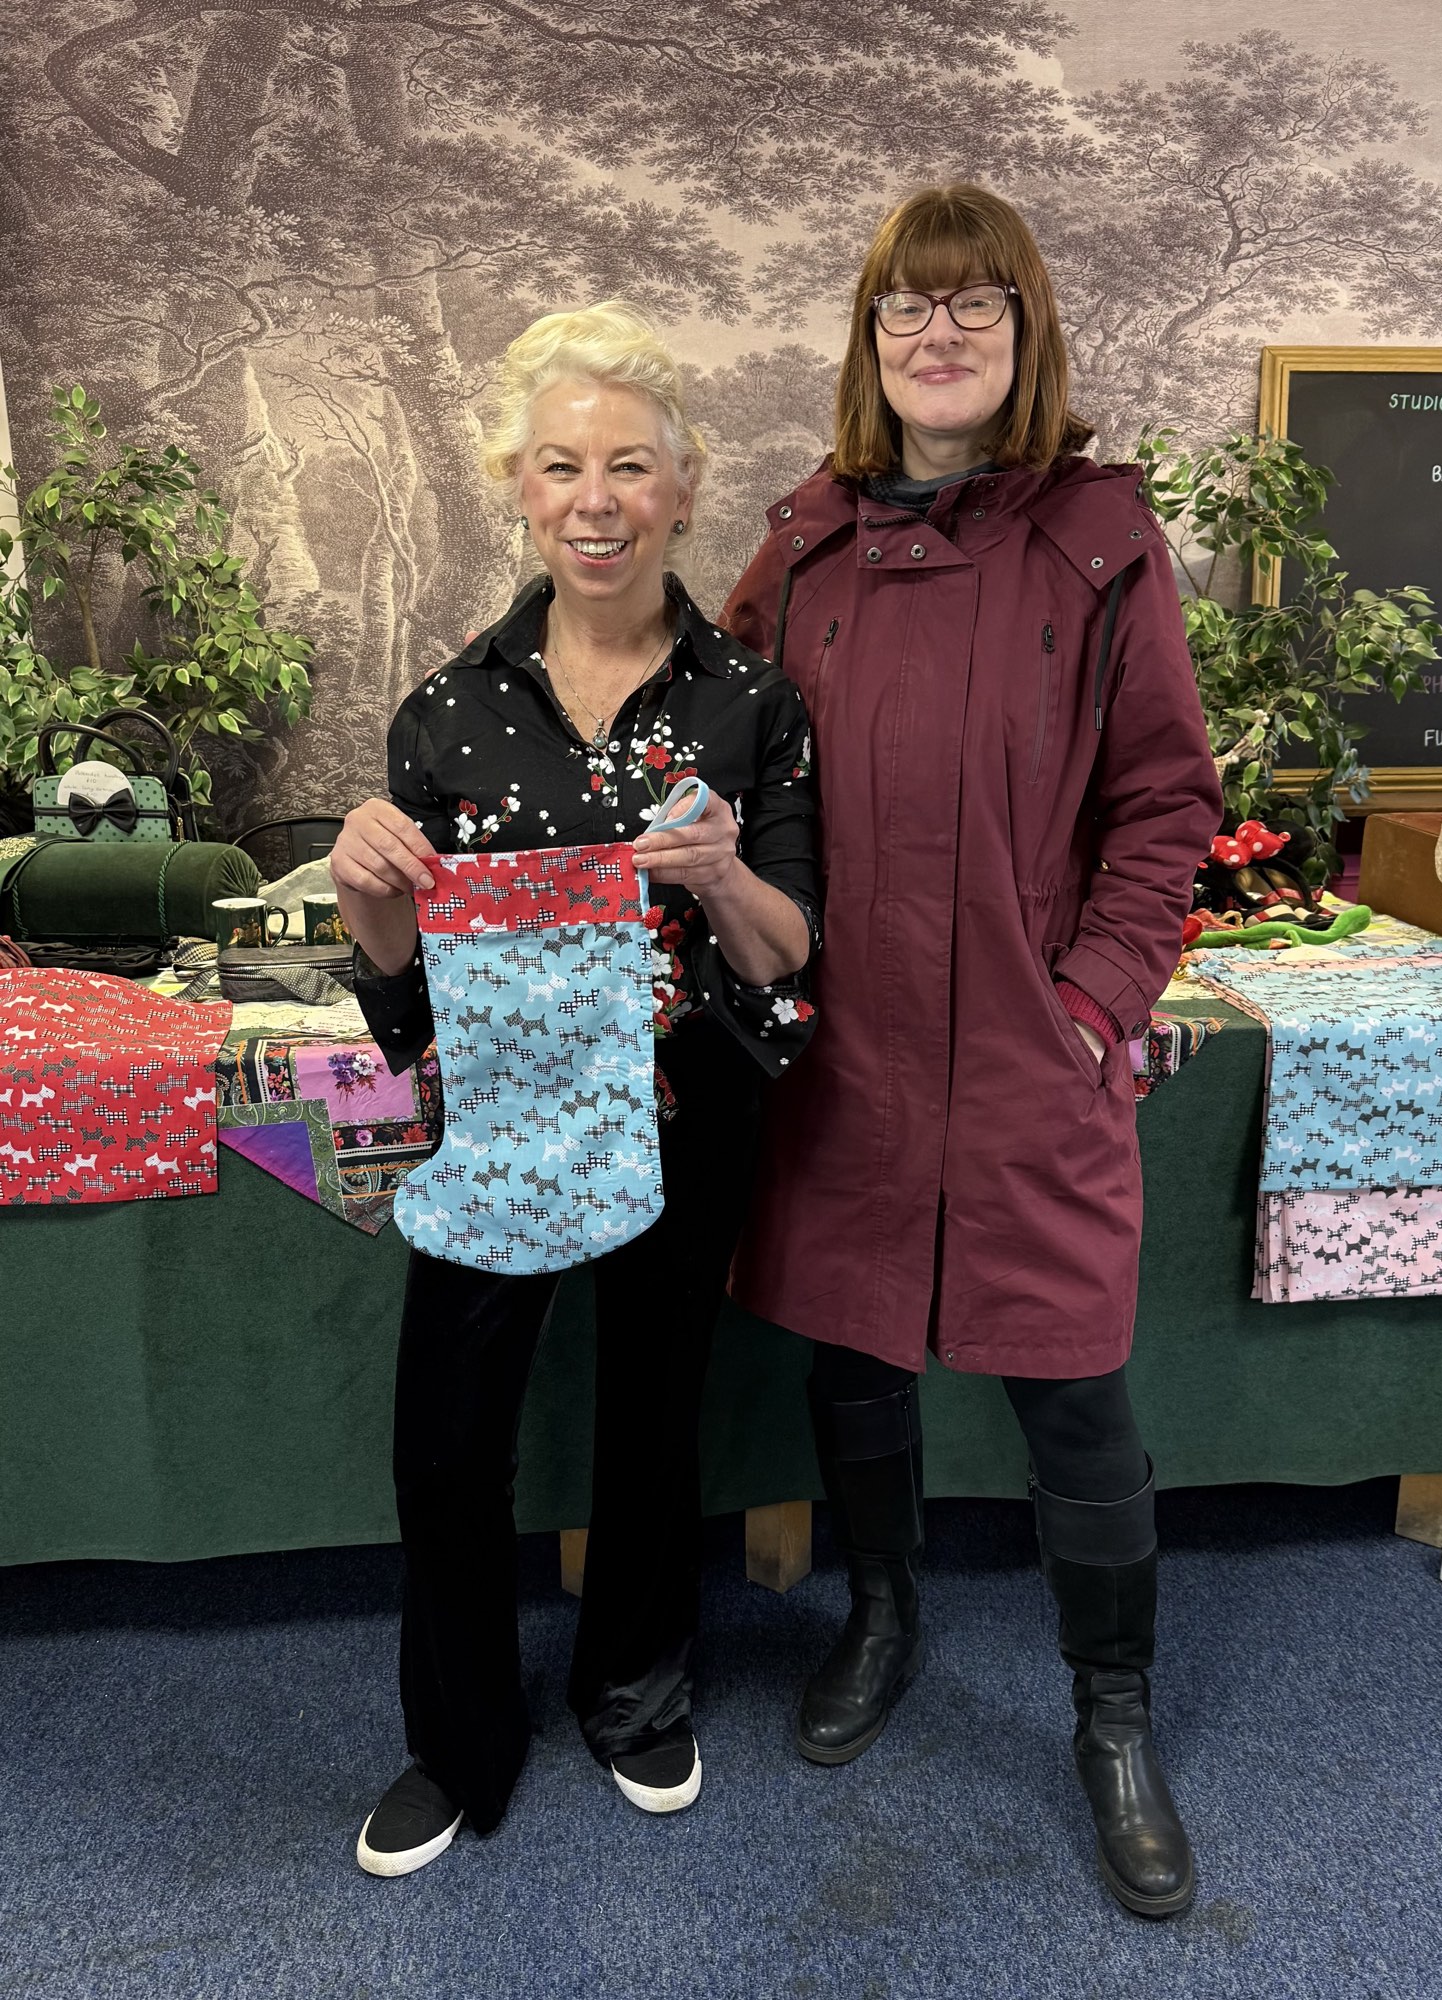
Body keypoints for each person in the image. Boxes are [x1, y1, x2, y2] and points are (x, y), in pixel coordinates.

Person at [720, 186, 1222, 1919]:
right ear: (868, 341)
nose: (936, 336)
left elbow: (1164, 801)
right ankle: (882, 1611)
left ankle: (1112, 1714)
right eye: (903, 309)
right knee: (854, 1354)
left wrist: (1093, 1003)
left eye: (972, 306)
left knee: (1075, 1392)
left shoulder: (1097, 541)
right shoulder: (798, 556)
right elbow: (716, 771)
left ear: (1025, 333)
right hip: (845, 1053)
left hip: (1028, 1051)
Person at [330, 303, 819, 1876]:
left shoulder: (750, 706)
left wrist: (722, 873)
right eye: (560, 466)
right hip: (502, 1122)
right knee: (445, 1440)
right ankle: (456, 1739)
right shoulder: (444, 712)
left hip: (686, 1113)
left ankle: (633, 1690)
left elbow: (788, 955)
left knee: (652, 1416)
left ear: (683, 485)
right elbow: (406, 998)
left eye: (628, 465)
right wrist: (368, 899)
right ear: (517, 487)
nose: (595, 499)